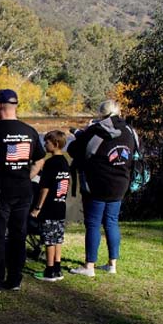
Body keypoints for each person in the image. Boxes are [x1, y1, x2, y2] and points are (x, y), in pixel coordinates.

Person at [0, 89, 46, 293]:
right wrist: (27, 175)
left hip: (0, 191)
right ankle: (15, 279)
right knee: (19, 234)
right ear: (15, 106)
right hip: (24, 190)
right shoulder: (29, 131)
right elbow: (40, 159)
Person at [66, 100, 137, 277]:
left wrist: (81, 134)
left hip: (96, 185)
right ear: (118, 112)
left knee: (93, 224)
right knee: (111, 221)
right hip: (120, 183)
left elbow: (75, 150)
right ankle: (112, 264)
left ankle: (89, 266)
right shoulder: (129, 131)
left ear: (101, 114)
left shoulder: (95, 132)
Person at [30, 130, 71, 282]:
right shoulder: (64, 162)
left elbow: (45, 188)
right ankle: (57, 268)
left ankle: (49, 270)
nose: (44, 144)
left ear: (55, 144)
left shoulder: (51, 163)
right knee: (58, 238)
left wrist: (37, 208)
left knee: (49, 239)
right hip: (61, 205)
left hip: (50, 207)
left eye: (47, 142)